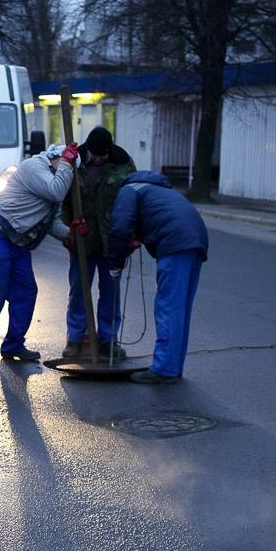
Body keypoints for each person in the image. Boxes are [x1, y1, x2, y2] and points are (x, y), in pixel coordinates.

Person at [0, 143, 79, 367]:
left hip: (17, 239)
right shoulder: (34, 166)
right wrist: (68, 163)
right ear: (56, 158)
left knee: (26, 292)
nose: (69, 174)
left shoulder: (55, 177)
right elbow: (56, 190)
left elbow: (52, 222)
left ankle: (13, 345)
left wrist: (71, 233)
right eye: (67, 167)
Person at [107, 171, 209, 383]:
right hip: (196, 240)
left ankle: (164, 369)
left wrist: (115, 262)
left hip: (175, 242)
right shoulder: (159, 189)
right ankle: (173, 367)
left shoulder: (128, 190)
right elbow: (152, 219)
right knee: (180, 308)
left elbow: (121, 226)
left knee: (168, 307)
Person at [60, 126, 136, 359]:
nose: (100, 159)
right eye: (96, 155)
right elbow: (62, 199)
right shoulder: (75, 162)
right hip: (83, 240)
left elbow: (133, 198)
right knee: (79, 289)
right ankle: (75, 338)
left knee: (111, 292)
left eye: (104, 155)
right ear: (89, 150)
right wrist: (68, 229)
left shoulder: (123, 163)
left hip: (112, 240)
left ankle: (108, 340)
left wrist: (132, 233)